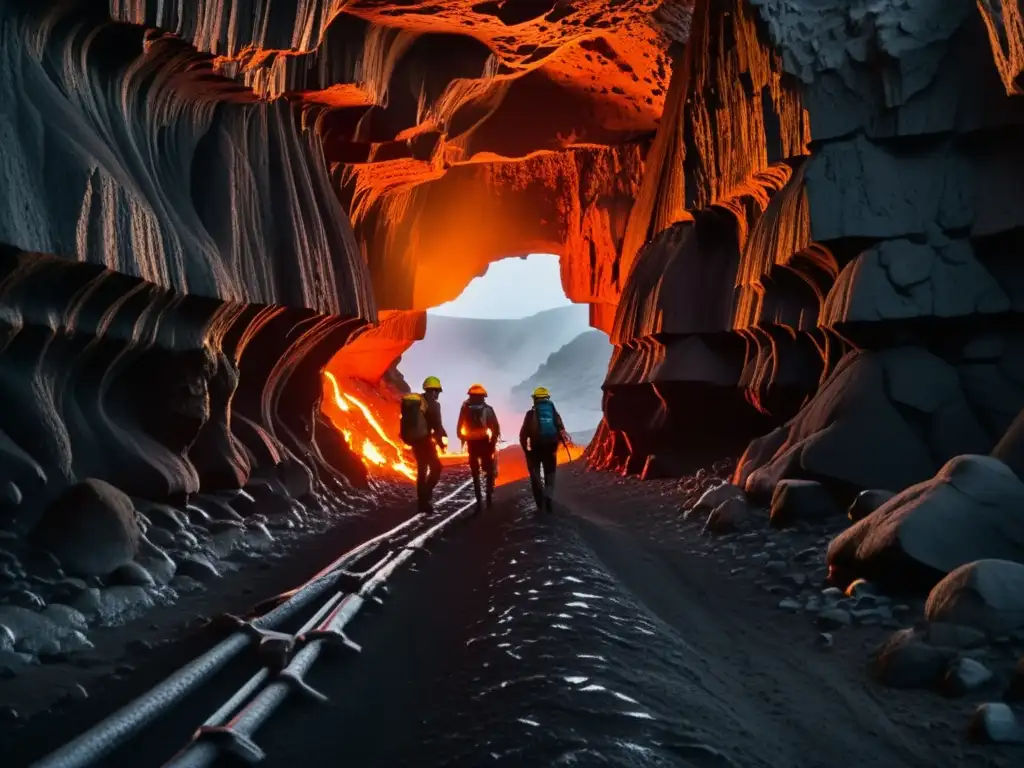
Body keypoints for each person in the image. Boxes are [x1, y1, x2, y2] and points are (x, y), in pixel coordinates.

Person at [400, 376, 448, 512]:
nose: (437, 394)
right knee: (436, 468)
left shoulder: (416, 402)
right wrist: (441, 442)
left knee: (422, 470)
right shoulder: (433, 404)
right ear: (433, 391)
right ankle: (425, 498)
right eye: (437, 391)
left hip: (415, 441)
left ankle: (422, 501)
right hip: (425, 441)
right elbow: (436, 426)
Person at [519, 386, 568, 514]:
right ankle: (549, 501)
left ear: (535, 399)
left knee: (535, 473)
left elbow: (523, 435)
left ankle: (539, 504)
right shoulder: (552, 411)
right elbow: (561, 429)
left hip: (535, 448)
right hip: (550, 448)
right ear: (547, 398)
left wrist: (526, 450)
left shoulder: (530, 414)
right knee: (550, 474)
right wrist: (556, 445)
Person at [457, 383, 501, 508]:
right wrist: (493, 441)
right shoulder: (488, 409)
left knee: (475, 472)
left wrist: (463, 438)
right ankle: (488, 497)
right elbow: (495, 427)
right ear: (483, 397)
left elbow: (459, 427)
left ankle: (478, 500)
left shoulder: (465, 408)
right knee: (488, 470)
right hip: (484, 442)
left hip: (472, 443)